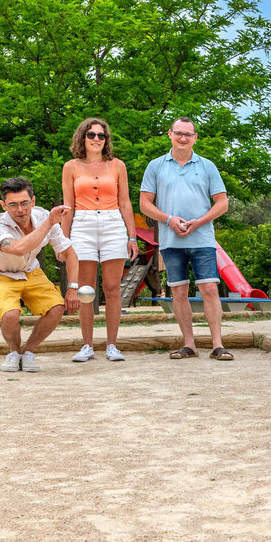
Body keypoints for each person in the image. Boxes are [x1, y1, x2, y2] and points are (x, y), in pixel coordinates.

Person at [139, 116, 234, 360]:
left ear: (195, 138)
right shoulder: (156, 166)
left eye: (188, 134)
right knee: (179, 292)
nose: (183, 138)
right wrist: (169, 219)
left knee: (209, 288)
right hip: (171, 240)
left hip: (202, 237)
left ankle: (217, 345)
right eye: (178, 133)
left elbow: (222, 203)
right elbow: (144, 204)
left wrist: (200, 222)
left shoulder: (207, 166)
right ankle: (189, 344)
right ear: (169, 134)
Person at [0, 177, 82, 372]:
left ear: (33, 201)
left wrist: (72, 288)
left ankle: (28, 352)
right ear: (4, 205)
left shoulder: (44, 216)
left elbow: (70, 253)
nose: (20, 210)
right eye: (13, 205)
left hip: (31, 271)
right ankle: (14, 352)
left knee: (57, 307)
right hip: (1, 274)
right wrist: (50, 223)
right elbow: (19, 248)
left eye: (24, 203)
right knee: (10, 315)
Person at [61, 117, 138, 363]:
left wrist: (132, 236)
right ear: (83, 138)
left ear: (106, 140)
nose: (96, 139)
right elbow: (68, 206)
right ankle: (87, 345)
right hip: (82, 224)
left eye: (101, 135)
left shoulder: (117, 165)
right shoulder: (70, 167)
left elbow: (125, 202)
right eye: (91, 135)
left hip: (112, 223)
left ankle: (112, 345)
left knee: (112, 288)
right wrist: (63, 241)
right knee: (85, 289)